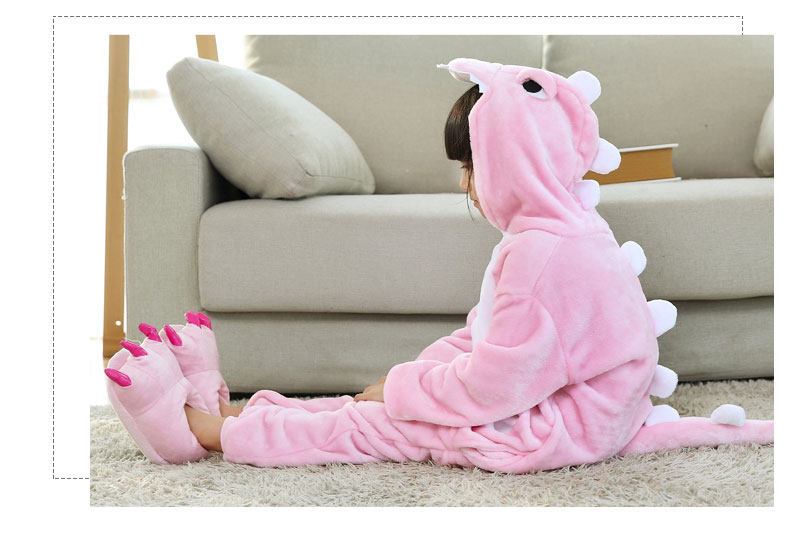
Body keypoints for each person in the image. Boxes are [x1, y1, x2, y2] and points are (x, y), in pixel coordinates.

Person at [105, 59, 773, 472]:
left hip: (552, 430)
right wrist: (409, 377)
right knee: (378, 399)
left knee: (373, 427)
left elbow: (493, 386)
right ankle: (231, 412)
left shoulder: (540, 255)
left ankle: (204, 434)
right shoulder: (561, 231)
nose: (465, 183)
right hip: (586, 410)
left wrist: (402, 394)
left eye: (471, 164)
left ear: (510, 161)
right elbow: (485, 336)